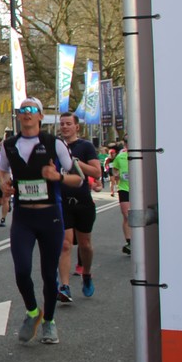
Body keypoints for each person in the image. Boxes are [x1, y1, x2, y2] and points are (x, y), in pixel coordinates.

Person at [0, 98, 87, 345]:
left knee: (49, 274)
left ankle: (49, 321)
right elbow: (3, 170)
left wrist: (57, 176)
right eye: (22, 110)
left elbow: (78, 179)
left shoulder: (54, 143)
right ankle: (33, 312)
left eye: (32, 110)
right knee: (21, 270)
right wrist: (4, 184)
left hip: (50, 216)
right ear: (19, 116)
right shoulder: (9, 145)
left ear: (40, 116)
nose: (26, 113)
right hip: (23, 217)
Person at [56, 111, 103, 300]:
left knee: (85, 245)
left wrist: (76, 163)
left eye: (68, 123)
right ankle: (65, 286)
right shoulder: (56, 146)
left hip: (83, 202)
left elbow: (97, 172)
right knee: (65, 244)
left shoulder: (85, 146)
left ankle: (87, 274)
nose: (65, 127)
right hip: (62, 201)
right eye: (62, 124)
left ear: (76, 126)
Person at [109, 143, 131, 254]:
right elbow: (114, 169)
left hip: (138, 189)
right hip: (124, 188)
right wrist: (116, 174)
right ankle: (129, 242)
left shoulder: (141, 154)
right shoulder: (120, 156)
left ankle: (140, 239)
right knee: (127, 215)